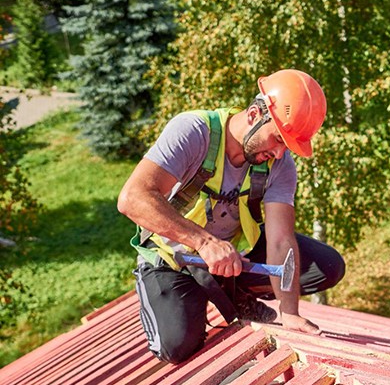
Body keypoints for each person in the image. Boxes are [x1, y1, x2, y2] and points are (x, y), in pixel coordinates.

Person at [118, 69, 346, 363]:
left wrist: (289, 313)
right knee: (176, 347)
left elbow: (280, 241)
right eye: (278, 139)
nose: (279, 154)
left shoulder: (280, 163)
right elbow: (132, 198)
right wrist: (203, 242)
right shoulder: (194, 131)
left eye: (286, 146)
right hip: (174, 258)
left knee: (326, 266)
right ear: (254, 114)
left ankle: (231, 290)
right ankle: (203, 290)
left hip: (234, 257)